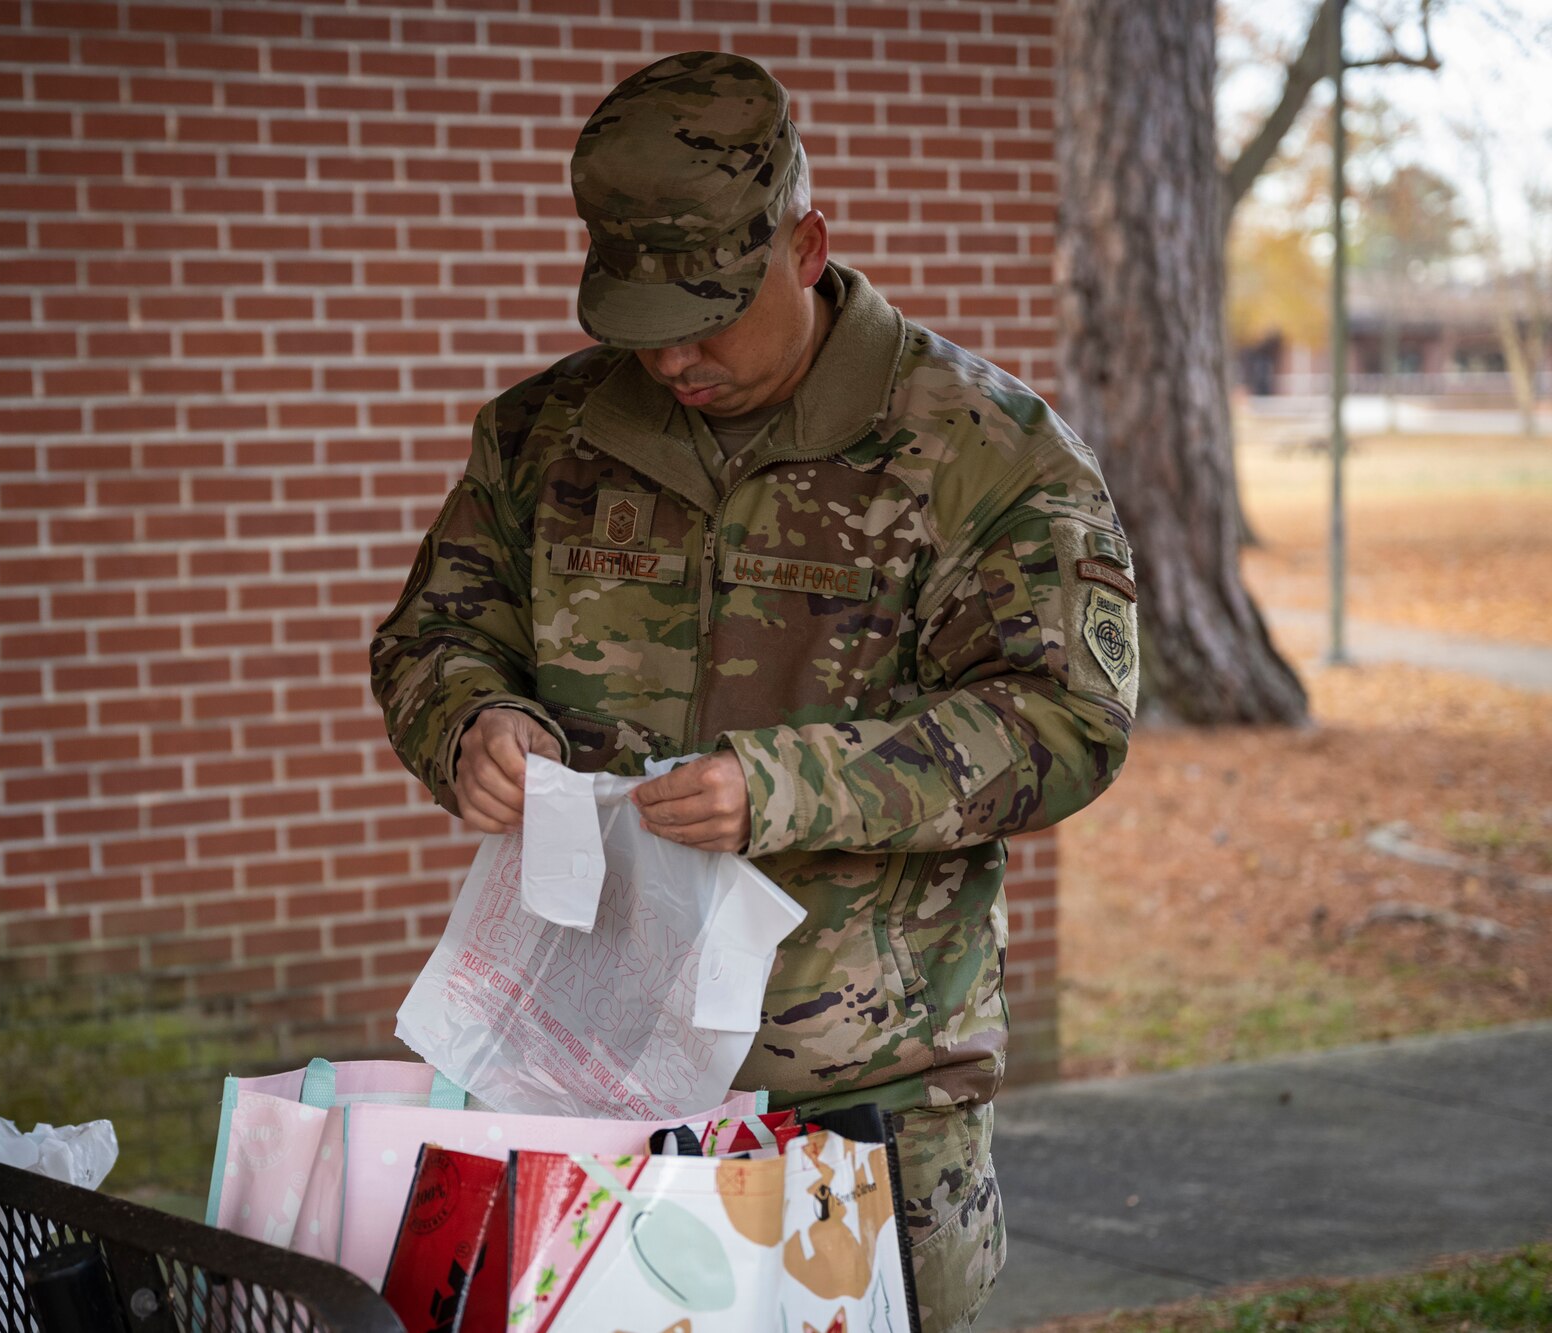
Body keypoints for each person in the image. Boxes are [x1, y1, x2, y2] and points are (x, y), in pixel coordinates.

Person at [370, 50, 1138, 1331]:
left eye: (708, 315)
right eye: (634, 321)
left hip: (862, 1098)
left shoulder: (984, 451)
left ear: (805, 244)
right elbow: (432, 635)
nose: (670, 359)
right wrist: (467, 722)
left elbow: (1064, 721)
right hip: (587, 1078)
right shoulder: (541, 437)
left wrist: (785, 786)